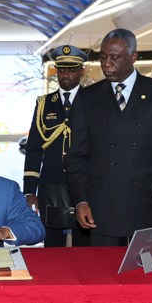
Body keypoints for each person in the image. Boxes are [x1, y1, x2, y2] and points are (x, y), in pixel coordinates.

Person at [67, 29, 152, 246]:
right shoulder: (87, 98)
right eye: (103, 57)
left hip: (147, 207)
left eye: (115, 57)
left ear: (133, 57)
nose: (107, 63)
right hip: (102, 209)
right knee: (105, 266)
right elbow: (76, 156)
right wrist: (81, 200)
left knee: (146, 266)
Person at [23, 45, 91, 247]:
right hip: (51, 183)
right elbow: (34, 149)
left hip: (85, 182)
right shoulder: (44, 104)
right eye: (61, 70)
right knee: (52, 245)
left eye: (71, 70)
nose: (66, 75)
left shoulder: (93, 101)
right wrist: (29, 190)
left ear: (81, 71)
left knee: (85, 242)